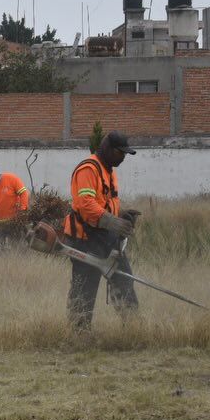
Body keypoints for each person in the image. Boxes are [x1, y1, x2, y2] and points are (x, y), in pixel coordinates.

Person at [63, 131, 141, 330]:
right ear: (108, 149)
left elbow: (103, 202)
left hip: (105, 237)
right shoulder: (88, 169)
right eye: (120, 153)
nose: (123, 157)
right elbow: (85, 204)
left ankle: (133, 329)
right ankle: (78, 333)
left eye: (125, 154)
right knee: (85, 289)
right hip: (85, 239)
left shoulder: (108, 170)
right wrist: (111, 221)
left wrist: (120, 214)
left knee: (124, 280)